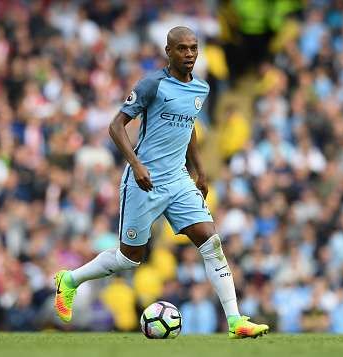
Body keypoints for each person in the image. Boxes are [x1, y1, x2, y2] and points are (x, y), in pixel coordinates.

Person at [54, 26, 269, 338]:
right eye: (182, 48)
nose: (190, 54)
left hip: (179, 180)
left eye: (194, 48)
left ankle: (236, 321)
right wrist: (136, 165)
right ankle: (70, 280)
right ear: (168, 51)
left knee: (212, 243)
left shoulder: (200, 89)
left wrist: (201, 171)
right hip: (144, 181)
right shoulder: (152, 84)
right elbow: (116, 127)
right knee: (130, 259)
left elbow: (189, 129)